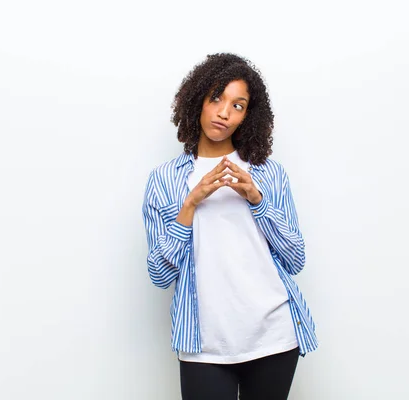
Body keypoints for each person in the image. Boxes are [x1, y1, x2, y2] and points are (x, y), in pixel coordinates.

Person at [142, 53, 317, 400]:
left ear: (247, 117)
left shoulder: (268, 173)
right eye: (217, 98)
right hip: (204, 343)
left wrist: (257, 198)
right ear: (198, 101)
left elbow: (295, 259)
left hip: (273, 336)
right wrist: (190, 203)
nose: (224, 112)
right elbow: (159, 275)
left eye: (238, 106)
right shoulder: (166, 180)